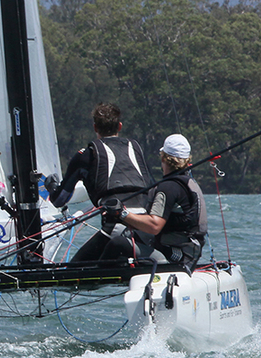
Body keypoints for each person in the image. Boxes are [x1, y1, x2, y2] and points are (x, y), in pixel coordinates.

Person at [45, 103, 153, 262]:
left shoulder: (85, 155)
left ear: (95, 127)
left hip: (116, 230)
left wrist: (51, 186)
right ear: (120, 126)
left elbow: (60, 199)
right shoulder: (135, 148)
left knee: (73, 271)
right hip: (147, 228)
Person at [105, 134, 208, 269]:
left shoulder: (168, 188)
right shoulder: (188, 183)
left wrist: (122, 214)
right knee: (122, 232)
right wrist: (123, 218)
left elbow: (154, 226)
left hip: (178, 257)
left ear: (164, 157)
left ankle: (89, 276)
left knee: (118, 243)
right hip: (189, 251)